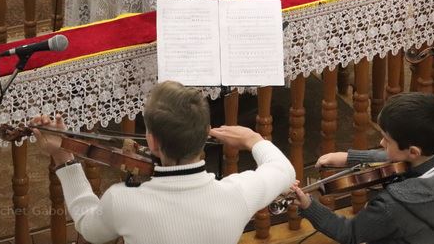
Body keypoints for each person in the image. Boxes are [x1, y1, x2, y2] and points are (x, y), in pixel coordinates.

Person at [32, 80, 296, 244]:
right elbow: (283, 170)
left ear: (153, 142)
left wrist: (64, 159)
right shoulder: (237, 192)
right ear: (206, 133)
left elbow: (89, 228)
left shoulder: (122, 200)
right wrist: (253, 139)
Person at [291, 92, 434, 244]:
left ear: (413, 151)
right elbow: (398, 158)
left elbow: (349, 232)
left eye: (387, 140)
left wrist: (309, 206)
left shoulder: (391, 207)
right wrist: (349, 158)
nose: (381, 143)